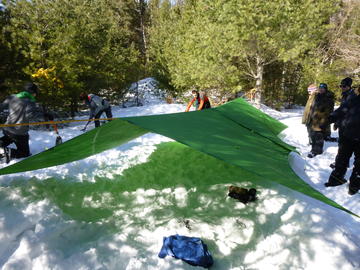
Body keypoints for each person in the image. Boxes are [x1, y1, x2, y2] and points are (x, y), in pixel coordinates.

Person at [324, 85, 360, 195]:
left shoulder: (353, 97)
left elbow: (342, 110)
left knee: (354, 162)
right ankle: (339, 181)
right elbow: (341, 109)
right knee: (343, 159)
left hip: (352, 137)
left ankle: (351, 186)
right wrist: (329, 119)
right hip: (347, 134)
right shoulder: (354, 97)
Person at [0, 82, 44, 162]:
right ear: (33, 92)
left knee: (9, 137)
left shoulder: (12, 97)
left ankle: (1, 147)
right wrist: (44, 114)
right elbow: (30, 115)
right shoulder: (30, 101)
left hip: (7, 128)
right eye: (36, 93)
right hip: (19, 132)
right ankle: (6, 152)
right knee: (24, 153)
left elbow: (1, 107)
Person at [302, 83, 334, 158]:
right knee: (314, 135)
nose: (321, 89)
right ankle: (315, 148)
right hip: (314, 119)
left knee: (318, 136)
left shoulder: (328, 98)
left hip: (321, 120)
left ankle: (316, 151)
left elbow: (328, 111)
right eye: (320, 88)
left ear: (325, 89)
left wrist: (323, 120)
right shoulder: (317, 96)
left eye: (323, 88)